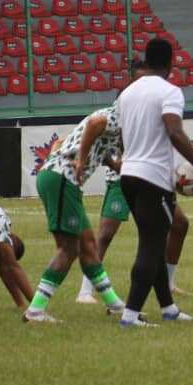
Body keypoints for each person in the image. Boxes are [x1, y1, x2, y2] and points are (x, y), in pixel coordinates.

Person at [76, 62, 192, 304]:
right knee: (106, 233)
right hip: (121, 180)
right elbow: (97, 141)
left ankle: (169, 283)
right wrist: (114, 163)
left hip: (150, 178)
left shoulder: (149, 107)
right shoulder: (120, 107)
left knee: (179, 224)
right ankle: (85, 290)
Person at [114, 38, 193, 327]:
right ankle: (130, 315)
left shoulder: (126, 94)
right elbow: (174, 131)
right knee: (151, 246)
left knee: (150, 241)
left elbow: (120, 138)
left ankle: (168, 308)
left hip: (128, 174)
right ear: (171, 63)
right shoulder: (170, 92)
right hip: (152, 177)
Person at [23, 104, 127, 322]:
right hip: (62, 178)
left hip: (62, 180)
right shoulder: (117, 115)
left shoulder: (117, 121)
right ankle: (35, 310)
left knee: (88, 246)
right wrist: (81, 158)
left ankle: (115, 305)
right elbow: (94, 123)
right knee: (68, 249)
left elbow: (98, 145)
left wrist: (115, 165)